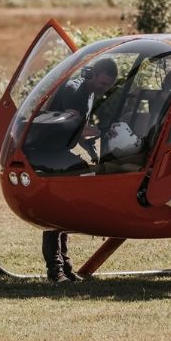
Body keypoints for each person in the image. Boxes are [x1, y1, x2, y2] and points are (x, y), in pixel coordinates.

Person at [39, 57, 119, 283]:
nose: (104, 89)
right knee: (56, 208)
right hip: (46, 152)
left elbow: (77, 131)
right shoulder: (74, 90)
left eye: (109, 86)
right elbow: (73, 125)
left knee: (65, 207)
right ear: (92, 75)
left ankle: (64, 266)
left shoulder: (90, 91)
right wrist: (101, 130)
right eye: (102, 84)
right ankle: (55, 270)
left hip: (59, 151)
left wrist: (90, 147)